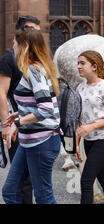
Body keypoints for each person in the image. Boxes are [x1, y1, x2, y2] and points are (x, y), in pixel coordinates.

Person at [2, 28, 61, 204]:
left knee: (43, 196)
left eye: (15, 43)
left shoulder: (34, 71)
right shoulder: (31, 69)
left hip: (42, 141)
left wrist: (19, 122)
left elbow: (45, 109)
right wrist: (17, 116)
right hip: (30, 140)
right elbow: (33, 102)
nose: (13, 47)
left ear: (24, 46)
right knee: (10, 192)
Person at [0, 16, 40, 204]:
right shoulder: (9, 58)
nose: (36, 34)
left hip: (36, 125)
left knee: (33, 180)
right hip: (18, 125)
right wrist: (6, 125)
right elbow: (1, 92)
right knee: (23, 180)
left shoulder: (36, 59)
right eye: (32, 30)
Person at [75, 50, 104, 204]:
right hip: (89, 141)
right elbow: (79, 119)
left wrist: (92, 126)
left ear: (94, 66)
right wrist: (76, 144)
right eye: (78, 63)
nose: (78, 66)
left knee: (86, 181)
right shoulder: (80, 88)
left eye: (82, 63)